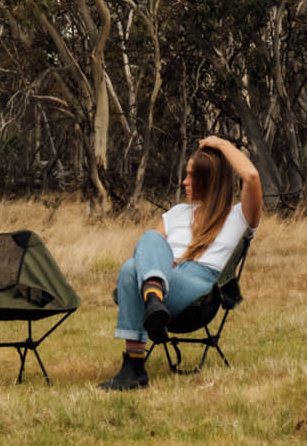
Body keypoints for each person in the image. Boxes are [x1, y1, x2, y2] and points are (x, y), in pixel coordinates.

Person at [100, 136, 260, 391]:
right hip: (167, 279)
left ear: (209, 182)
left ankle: (136, 357)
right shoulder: (175, 215)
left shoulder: (239, 217)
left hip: (201, 293)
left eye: (190, 176)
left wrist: (220, 144)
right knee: (143, 250)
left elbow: (251, 176)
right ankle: (139, 351)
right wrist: (162, 266)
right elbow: (147, 251)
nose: (183, 182)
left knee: (134, 265)